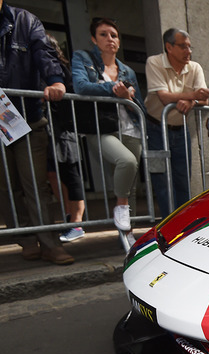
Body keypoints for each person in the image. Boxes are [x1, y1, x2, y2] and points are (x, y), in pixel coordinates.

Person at [0, 0, 73, 264]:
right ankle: (27, 240)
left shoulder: (25, 21)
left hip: (27, 117)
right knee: (7, 187)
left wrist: (55, 80)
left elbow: (44, 52)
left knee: (35, 184)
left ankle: (50, 244)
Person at [72, 17, 145, 235]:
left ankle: (127, 236)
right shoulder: (83, 58)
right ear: (94, 39)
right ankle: (120, 206)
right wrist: (115, 89)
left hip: (130, 129)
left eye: (113, 35)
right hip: (101, 128)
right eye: (103, 34)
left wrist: (127, 98)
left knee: (131, 184)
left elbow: (138, 104)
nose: (109, 39)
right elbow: (81, 87)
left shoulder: (128, 71)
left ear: (119, 42)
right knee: (126, 161)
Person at [144, 28, 209, 217]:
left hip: (181, 130)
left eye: (190, 47)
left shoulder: (195, 67)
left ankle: (182, 224)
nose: (188, 51)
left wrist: (192, 101)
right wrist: (193, 95)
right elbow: (164, 98)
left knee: (183, 180)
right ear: (169, 47)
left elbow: (205, 99)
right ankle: (168, 224)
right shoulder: (154, 62)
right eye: (183, 46)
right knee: (162, 181)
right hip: (155, 129)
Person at [44, 33, 85, 242]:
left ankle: (77, 223)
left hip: (64, 128)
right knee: (53, 173)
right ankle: (69, 217)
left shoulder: (62, 70)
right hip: (47, 129)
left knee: (70, 171)